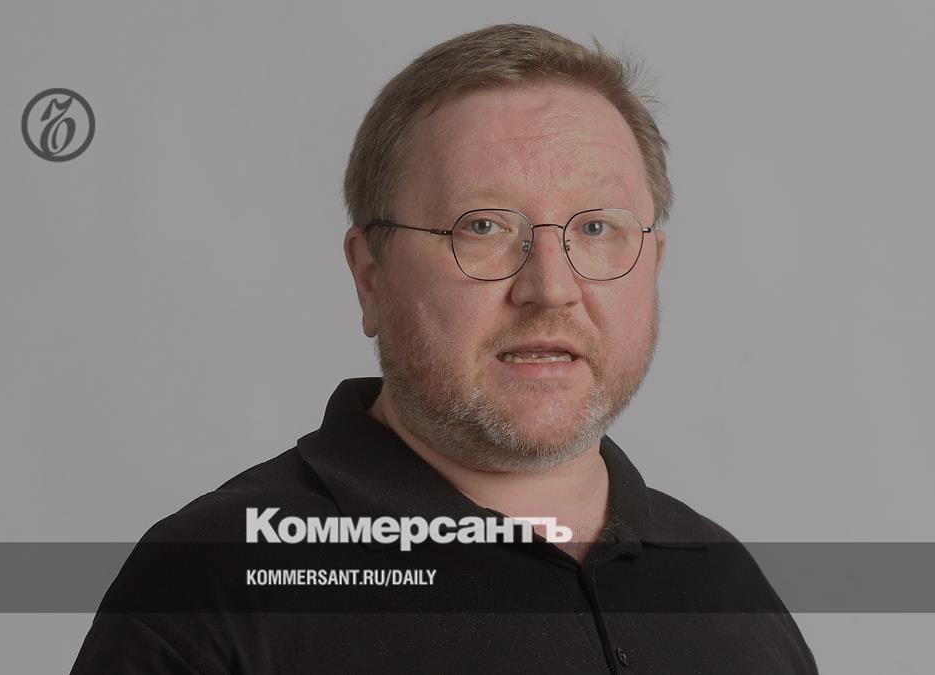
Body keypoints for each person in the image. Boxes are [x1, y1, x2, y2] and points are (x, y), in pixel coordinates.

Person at [71, 23, 818, 674]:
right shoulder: (212, 587)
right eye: (483, 227)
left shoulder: (730, 592)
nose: (550, 288)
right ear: (371, 276)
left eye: (597, 228)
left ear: (653, 264)